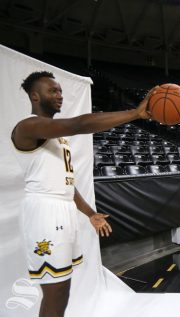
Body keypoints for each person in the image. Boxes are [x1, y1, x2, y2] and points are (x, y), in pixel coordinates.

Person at [11, 71, 155, 317]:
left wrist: (90, 213)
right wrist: (134, 113)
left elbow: (66, 183)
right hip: (45, 213)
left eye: (60, 91)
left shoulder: (55, 135)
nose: (59, 95)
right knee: (55, 292)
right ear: (35, 96)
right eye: (52, 91)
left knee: (63, 288)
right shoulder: (28, 126)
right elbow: (78, 124)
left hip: (63, 209)